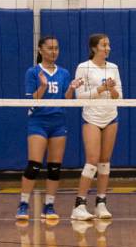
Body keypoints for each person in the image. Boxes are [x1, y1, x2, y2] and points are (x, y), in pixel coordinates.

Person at [16, 36, 80, 222]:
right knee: (34, 165)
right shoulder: (33, 72)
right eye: (50, 48)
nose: (54, 51)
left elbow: (67, 101)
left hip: (58, 122)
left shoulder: (64, 73)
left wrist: (72, 88)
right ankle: (23, 204)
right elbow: (30, 101)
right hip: (38, 122)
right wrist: (43, 86)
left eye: (56, 48)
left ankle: (49, 205)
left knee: (54, 168)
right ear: (40, 50)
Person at [71, 34, 121, 221]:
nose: (107, 48)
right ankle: (79, 205)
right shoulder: (83, 67)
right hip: (91, 118)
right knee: (92, 160)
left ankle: (101, 203)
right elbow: (79, 96)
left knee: (105, 161)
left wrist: (111, 89)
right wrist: (100, 89)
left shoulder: (113, 68)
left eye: (108, 44)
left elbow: (119, 97)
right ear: (94, 48)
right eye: (104, 45)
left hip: (111, 117)